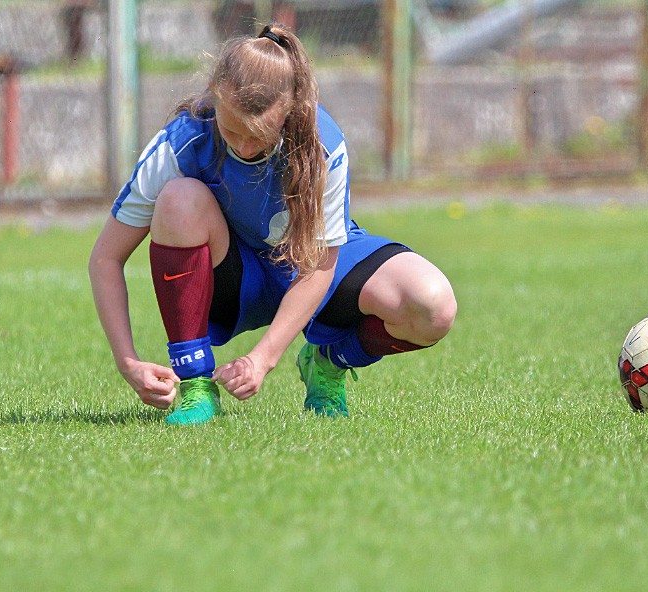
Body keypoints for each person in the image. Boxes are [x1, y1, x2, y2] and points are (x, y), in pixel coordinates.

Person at [88, 25, 457, 425]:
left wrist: (263, 358)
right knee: (178, 200)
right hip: (233, 276)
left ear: (290, 110)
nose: (245, 147)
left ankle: (328, 362)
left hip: (311, 265)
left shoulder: (322, 143)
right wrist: (128, 364)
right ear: (215, 92)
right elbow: (106, 258)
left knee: (434, 306)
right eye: (232, 131)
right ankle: (196, 386)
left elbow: (320, 264)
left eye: (260, 136)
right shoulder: (181, 143)